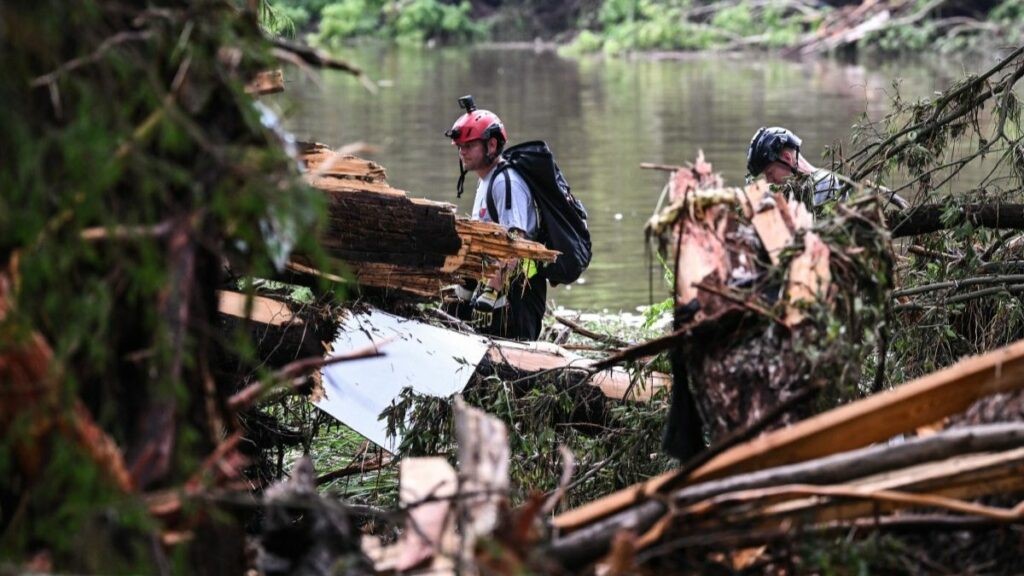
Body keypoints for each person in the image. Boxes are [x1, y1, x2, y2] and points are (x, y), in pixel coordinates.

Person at [443, 95, 546, 341]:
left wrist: (493, 288)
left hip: (519, 293)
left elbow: (515, 242)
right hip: (497, 291)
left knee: (514, 366)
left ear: (491, 146)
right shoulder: (486, 180)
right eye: (460, 146)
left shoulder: (505, 182)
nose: (462, 151)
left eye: (469, 145)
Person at [746, 126, 844, 208]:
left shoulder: (828, 184)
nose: (768, 181)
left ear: (787, 158)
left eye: (770, 173)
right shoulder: (785, 194)